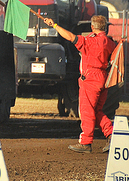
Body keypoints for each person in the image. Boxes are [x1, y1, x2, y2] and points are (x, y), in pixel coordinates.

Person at [43, 15, 116, 153]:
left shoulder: (89, 41)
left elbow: (70, 37)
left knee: (87, 111)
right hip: (104, 78)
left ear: (92, 27)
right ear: (105, 27)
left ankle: (86, 142)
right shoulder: (109, 42)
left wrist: (54, 25)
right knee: (96, 111)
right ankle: (112, 135)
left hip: (90, 79)